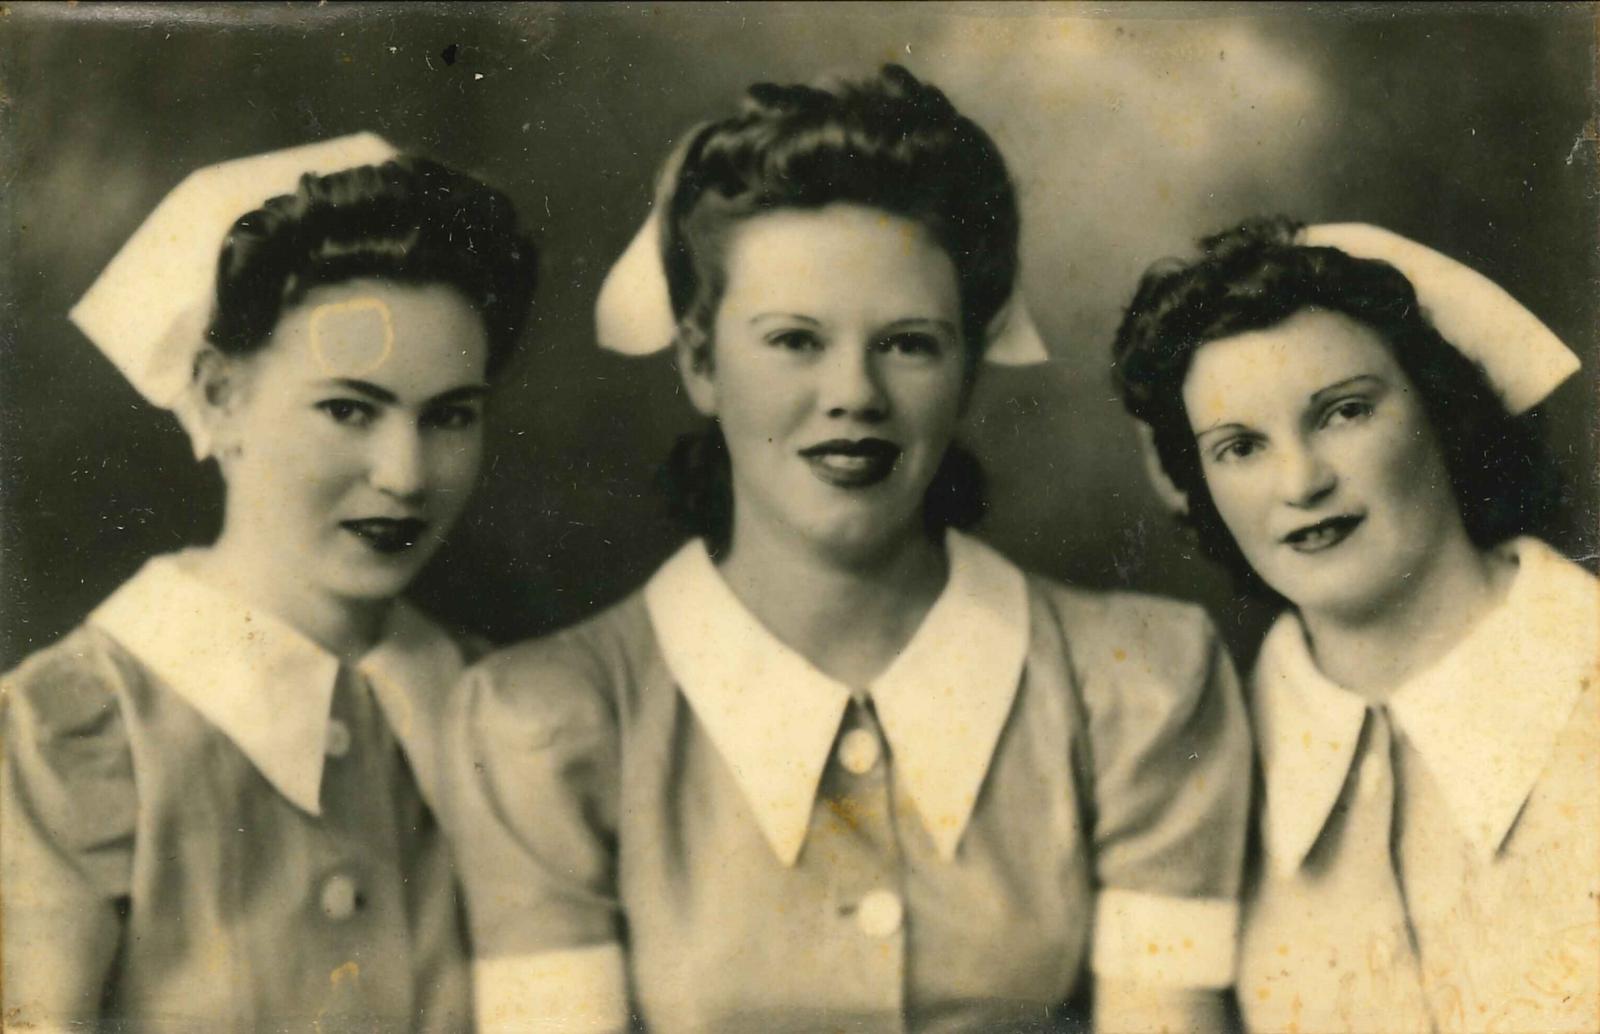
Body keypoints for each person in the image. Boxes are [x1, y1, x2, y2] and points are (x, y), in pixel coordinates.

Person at [450, 65, 1250, 1034]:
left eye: (908, 343)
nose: (853, 394)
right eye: (793, 340)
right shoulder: (549, 723)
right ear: (700, 359)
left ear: (967, 362)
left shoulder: (1138, 685)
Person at [1, 134, 538, 1030]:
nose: (405, 474)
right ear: (218, 397)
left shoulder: (509, 717)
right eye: (348, 410)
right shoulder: (67, 738)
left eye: (449, 416)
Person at [1112, 217, 1598, 1032]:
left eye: (1342, 413)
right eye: (1240, 447)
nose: (1301, 481)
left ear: (1441, 412)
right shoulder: (1194, 762)